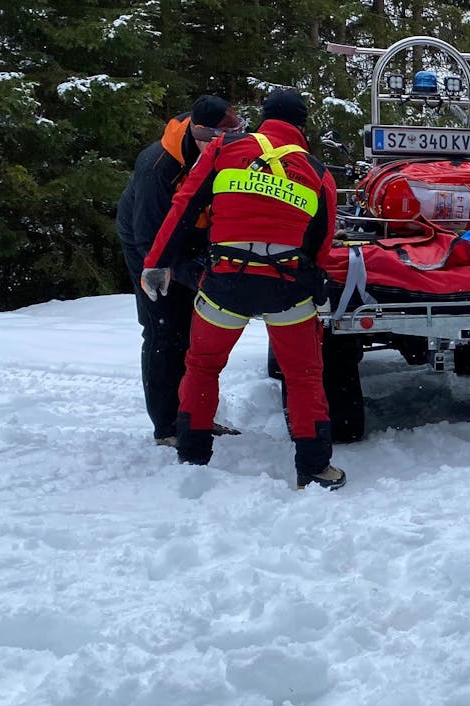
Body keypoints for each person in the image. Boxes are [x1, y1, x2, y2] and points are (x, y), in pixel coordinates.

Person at [141, 88, 346, 490]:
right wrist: (315, 281)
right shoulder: (319, 173)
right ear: (301, 126)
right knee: (304, 377)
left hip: (225, 282)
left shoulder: (223, 151)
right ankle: (315, 469)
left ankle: (193, 454)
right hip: (286, 286)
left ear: (264, 117)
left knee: (202, 365)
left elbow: (183, 206)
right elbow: (321, 245)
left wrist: (156, 263)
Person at [115, 95, 242, 446]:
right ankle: (168, 425)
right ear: (197, 133)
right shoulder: (157, 165)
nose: (220, 146)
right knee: (164, 330)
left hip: (195, 236)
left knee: (196, 332)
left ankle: (195, 415)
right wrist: (186, 273)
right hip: (152, 245)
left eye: (228, 138)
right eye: (213, 139)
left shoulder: (228, 150)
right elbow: (149, 238)